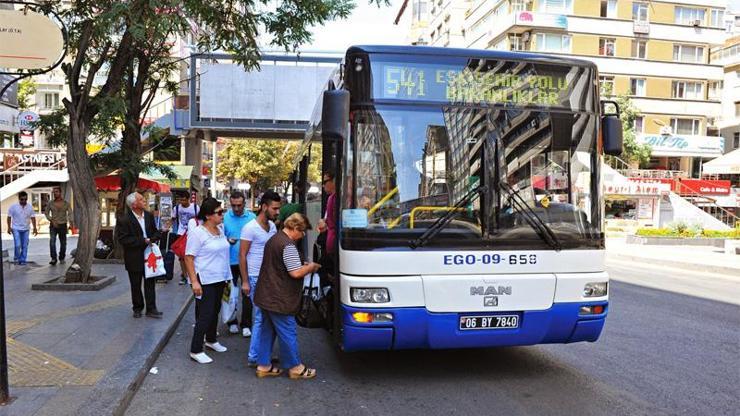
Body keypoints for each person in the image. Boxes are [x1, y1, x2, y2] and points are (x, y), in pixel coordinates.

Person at [252, 213, 321, 379]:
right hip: (279, 298)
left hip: (266, 294)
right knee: (288, 331)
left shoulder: (275, 239)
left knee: (267, 331)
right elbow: (295, 273)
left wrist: (300, 265)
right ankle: (296, 367)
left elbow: (280, 265)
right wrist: (310, 267)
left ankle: (263, 365)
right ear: (295, 228)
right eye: (302, 231)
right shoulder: (288, 245)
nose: (303, 235)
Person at [183, 197, 231, 364]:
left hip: (220, 277)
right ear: (209, 215)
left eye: (222, 212)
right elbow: (188, 258)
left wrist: (227, 276)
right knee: (205, 314)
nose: (222, 215)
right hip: (205, 279)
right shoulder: (198, 233)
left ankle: (211, 340)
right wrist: (194, 282)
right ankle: (195, 349)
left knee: (215, 310)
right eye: (219, 212)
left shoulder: (220, 229)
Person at [239, 190, 281, 367]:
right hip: (255, 278)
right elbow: (242, 256)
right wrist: (246, 281)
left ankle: (261, 354)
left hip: (268, 278)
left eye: (278, 209)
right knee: (261, 318)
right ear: (264, 207)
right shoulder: (250, 228)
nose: (277, 212)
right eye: (274, 208)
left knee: (267, 318)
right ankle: (255, 356)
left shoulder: (272, 227)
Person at [115, 192, 163, 319]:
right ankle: (137, 308)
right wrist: (143, 241)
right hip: (134, 256)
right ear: (134, 204)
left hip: (149, 255)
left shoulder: (148, 215)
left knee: (150, 282)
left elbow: (154, 231)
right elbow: (124, 239)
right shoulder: (124, 219)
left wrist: (157, 236)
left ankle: (151, 308)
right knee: (135, 284)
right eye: (141, 199)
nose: (145, 201)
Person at [222, 191, 256, 336]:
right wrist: (226, 241)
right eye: (233, 205)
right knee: (230, 294)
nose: (236, 208)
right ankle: (232, 321)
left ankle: (246, 324)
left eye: (239, 205)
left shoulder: (252, 218)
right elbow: (218, 237)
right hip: (230, 261)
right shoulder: (224, 217)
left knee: (247, 292)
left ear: (245, 203)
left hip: (248, 261)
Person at [172, 191, 198, 284]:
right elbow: (173, 218)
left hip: (193, 234)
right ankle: (184, 275)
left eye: (184, 200)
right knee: (182, 257)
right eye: (180, 200)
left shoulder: (195, 207)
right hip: (181, 234)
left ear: (188, 199)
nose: (182, 202)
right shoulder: (177, 208)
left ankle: (193, 274)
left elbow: (200, 219)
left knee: (192, 255)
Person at [6, 191, 37, 265]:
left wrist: (35, 228)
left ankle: (22, 259)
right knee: (17, 245)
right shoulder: (13, 207)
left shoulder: (30, 207)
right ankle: (17, 257)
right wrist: (9, 227)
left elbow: (33, 218)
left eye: (25, 199)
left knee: (25, 245)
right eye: (22, 199)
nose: (24, 201)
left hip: (26, 229)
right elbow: (9, 217)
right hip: (16, 228)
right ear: (19, 199)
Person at [45, 187, 73, 265]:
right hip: (53, 225)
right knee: (52, 242)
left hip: (63, 225)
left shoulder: (66, 203)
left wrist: (71, 222)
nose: (55, 193)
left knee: (63, 243)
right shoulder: (50, 203)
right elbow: (46, 213)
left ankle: (62, 257)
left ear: (60, 192)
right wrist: (51, 220)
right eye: (54, 192)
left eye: (56, 192)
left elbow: (70, 213)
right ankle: (53, 258)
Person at [317, 172, 337, 255]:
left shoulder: (335, 198)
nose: (323, 185)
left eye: (325, 182)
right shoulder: (331, 198)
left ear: (334, 181)